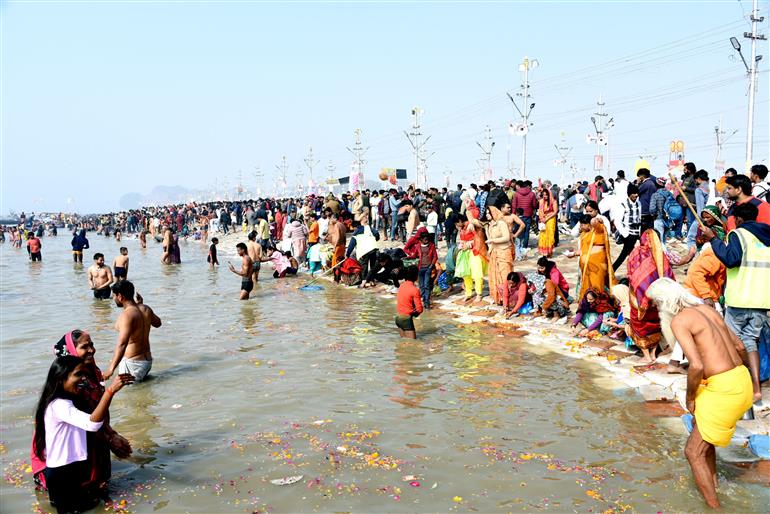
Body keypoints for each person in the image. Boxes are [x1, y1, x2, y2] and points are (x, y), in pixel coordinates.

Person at [646, 278, 753, 509]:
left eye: (656, 304)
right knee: (701, 433)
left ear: (664, 303)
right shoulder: (707, 309)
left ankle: (715, 509)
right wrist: (750, 384)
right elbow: (740, 347)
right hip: (739, 378)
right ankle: (712, 486)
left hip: (723, 388)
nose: (656, 309)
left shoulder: (680, 321)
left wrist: (690, 398)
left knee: (692, 452)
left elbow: (695, 366)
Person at [31, 330, 133, 496]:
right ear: (71, 352)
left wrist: (111, 434)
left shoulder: (91, 374)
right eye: (85, 347)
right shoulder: (67, 390)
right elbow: (90, 421)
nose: (92, 350)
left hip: (89, 434)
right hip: (68, 453)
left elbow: (97, 412)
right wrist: (110, 438)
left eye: (92, 345)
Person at [703, 202, 770, 403]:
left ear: (739, 219)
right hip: (761, 299)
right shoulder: (766, 237)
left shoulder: (738, 234)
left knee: (732, 343)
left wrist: (714, 240)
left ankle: (736, 389)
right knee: (750, 341)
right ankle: (756, 389)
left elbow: (731, 259)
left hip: (740, 298)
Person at [627, 229, 675, 363]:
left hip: (640, 297)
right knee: (655, 324)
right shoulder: (661, 256)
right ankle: (653, 354)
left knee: (640, 324)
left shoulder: (636, 253)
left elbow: (632, 275)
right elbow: (669, 276)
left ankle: (647, 356)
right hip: (657, 298)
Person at [103, 280, 156, 381]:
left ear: (120, 296)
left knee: (128, 395)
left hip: (133, 364)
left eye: (114, 296)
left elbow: (122, 344)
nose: (113, 299)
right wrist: (140, 305)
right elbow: (158, 323)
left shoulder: (127, 315)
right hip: (147, 362)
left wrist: (111, 369)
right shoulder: (145, 309)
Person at [454, 213, 488, 303]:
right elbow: (462, 239)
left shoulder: (471, 225)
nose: (456, 226)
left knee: (477, 273)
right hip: (465, 253)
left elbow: (479, 238)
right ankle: (468, 293)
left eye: (456, 223)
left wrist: (469, 244)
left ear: (460, 221)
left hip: (475, 252)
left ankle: (479, 294)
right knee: (466, 274)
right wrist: (461, 244)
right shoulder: (461, 229)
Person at [485, 206, 515, 305]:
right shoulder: (490, 225)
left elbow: (506, 237)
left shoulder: (501, 223)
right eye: (486, 213)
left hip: (504, 250)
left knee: (504, 275)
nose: (487, 215)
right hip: (495, 251)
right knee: (495, 275)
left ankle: (508, 298)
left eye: (488, 213)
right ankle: (499, 297)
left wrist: (493, 240)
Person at [611, 184, 642, 271]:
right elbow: (617, 221)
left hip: (636, 233)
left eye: (637, 193)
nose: (636, 195)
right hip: (628, 233)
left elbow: (639, 217)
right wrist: (626, 235)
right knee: (624, 255)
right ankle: (611, 272)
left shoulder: (639, 204)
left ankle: (634, 271)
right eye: (633, 193)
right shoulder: (623, 205)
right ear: (629, 194)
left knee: (630, 254)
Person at [395, 266, 423, 339]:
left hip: (398, 318)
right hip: (406, 319)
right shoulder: (414, 290)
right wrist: (415, 313)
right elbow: (419, 309)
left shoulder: (401, 286)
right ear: (416, 276)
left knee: (403, 342)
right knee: (412, 344)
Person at [512, 180, 538, 249]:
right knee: (526, 231)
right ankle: (524, 246)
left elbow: (514, 205)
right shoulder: (532, 194)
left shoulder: (516, 193)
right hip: (528, 214)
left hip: (519, 215)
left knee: (519, 230)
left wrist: (513, 215)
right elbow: (534, 205)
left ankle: (518, 246)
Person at [416, 231, 438, 308]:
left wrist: (431, 266)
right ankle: (424, 299)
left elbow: (435, 257)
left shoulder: (431, 245)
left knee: (426, 285)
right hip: (420, 268)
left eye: (427, 239)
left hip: (428, 268)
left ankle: (427, 301)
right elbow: (415, 255)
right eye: (425, 239)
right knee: (421, 285)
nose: (427, 241)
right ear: (421, 239)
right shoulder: (418, 246)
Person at [537, 187, 557, 257]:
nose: (545, 196)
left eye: (546, 195)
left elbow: (555, 212)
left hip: (551, 219)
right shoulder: (541, 201)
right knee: (543, 234)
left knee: (550, 234)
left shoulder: (553, 201)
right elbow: (539, 210)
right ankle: (544, 251)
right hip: (543, 219)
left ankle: (549, 251)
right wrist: (541, 218)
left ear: (549, 194)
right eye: (544, 195)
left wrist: (547, 218)